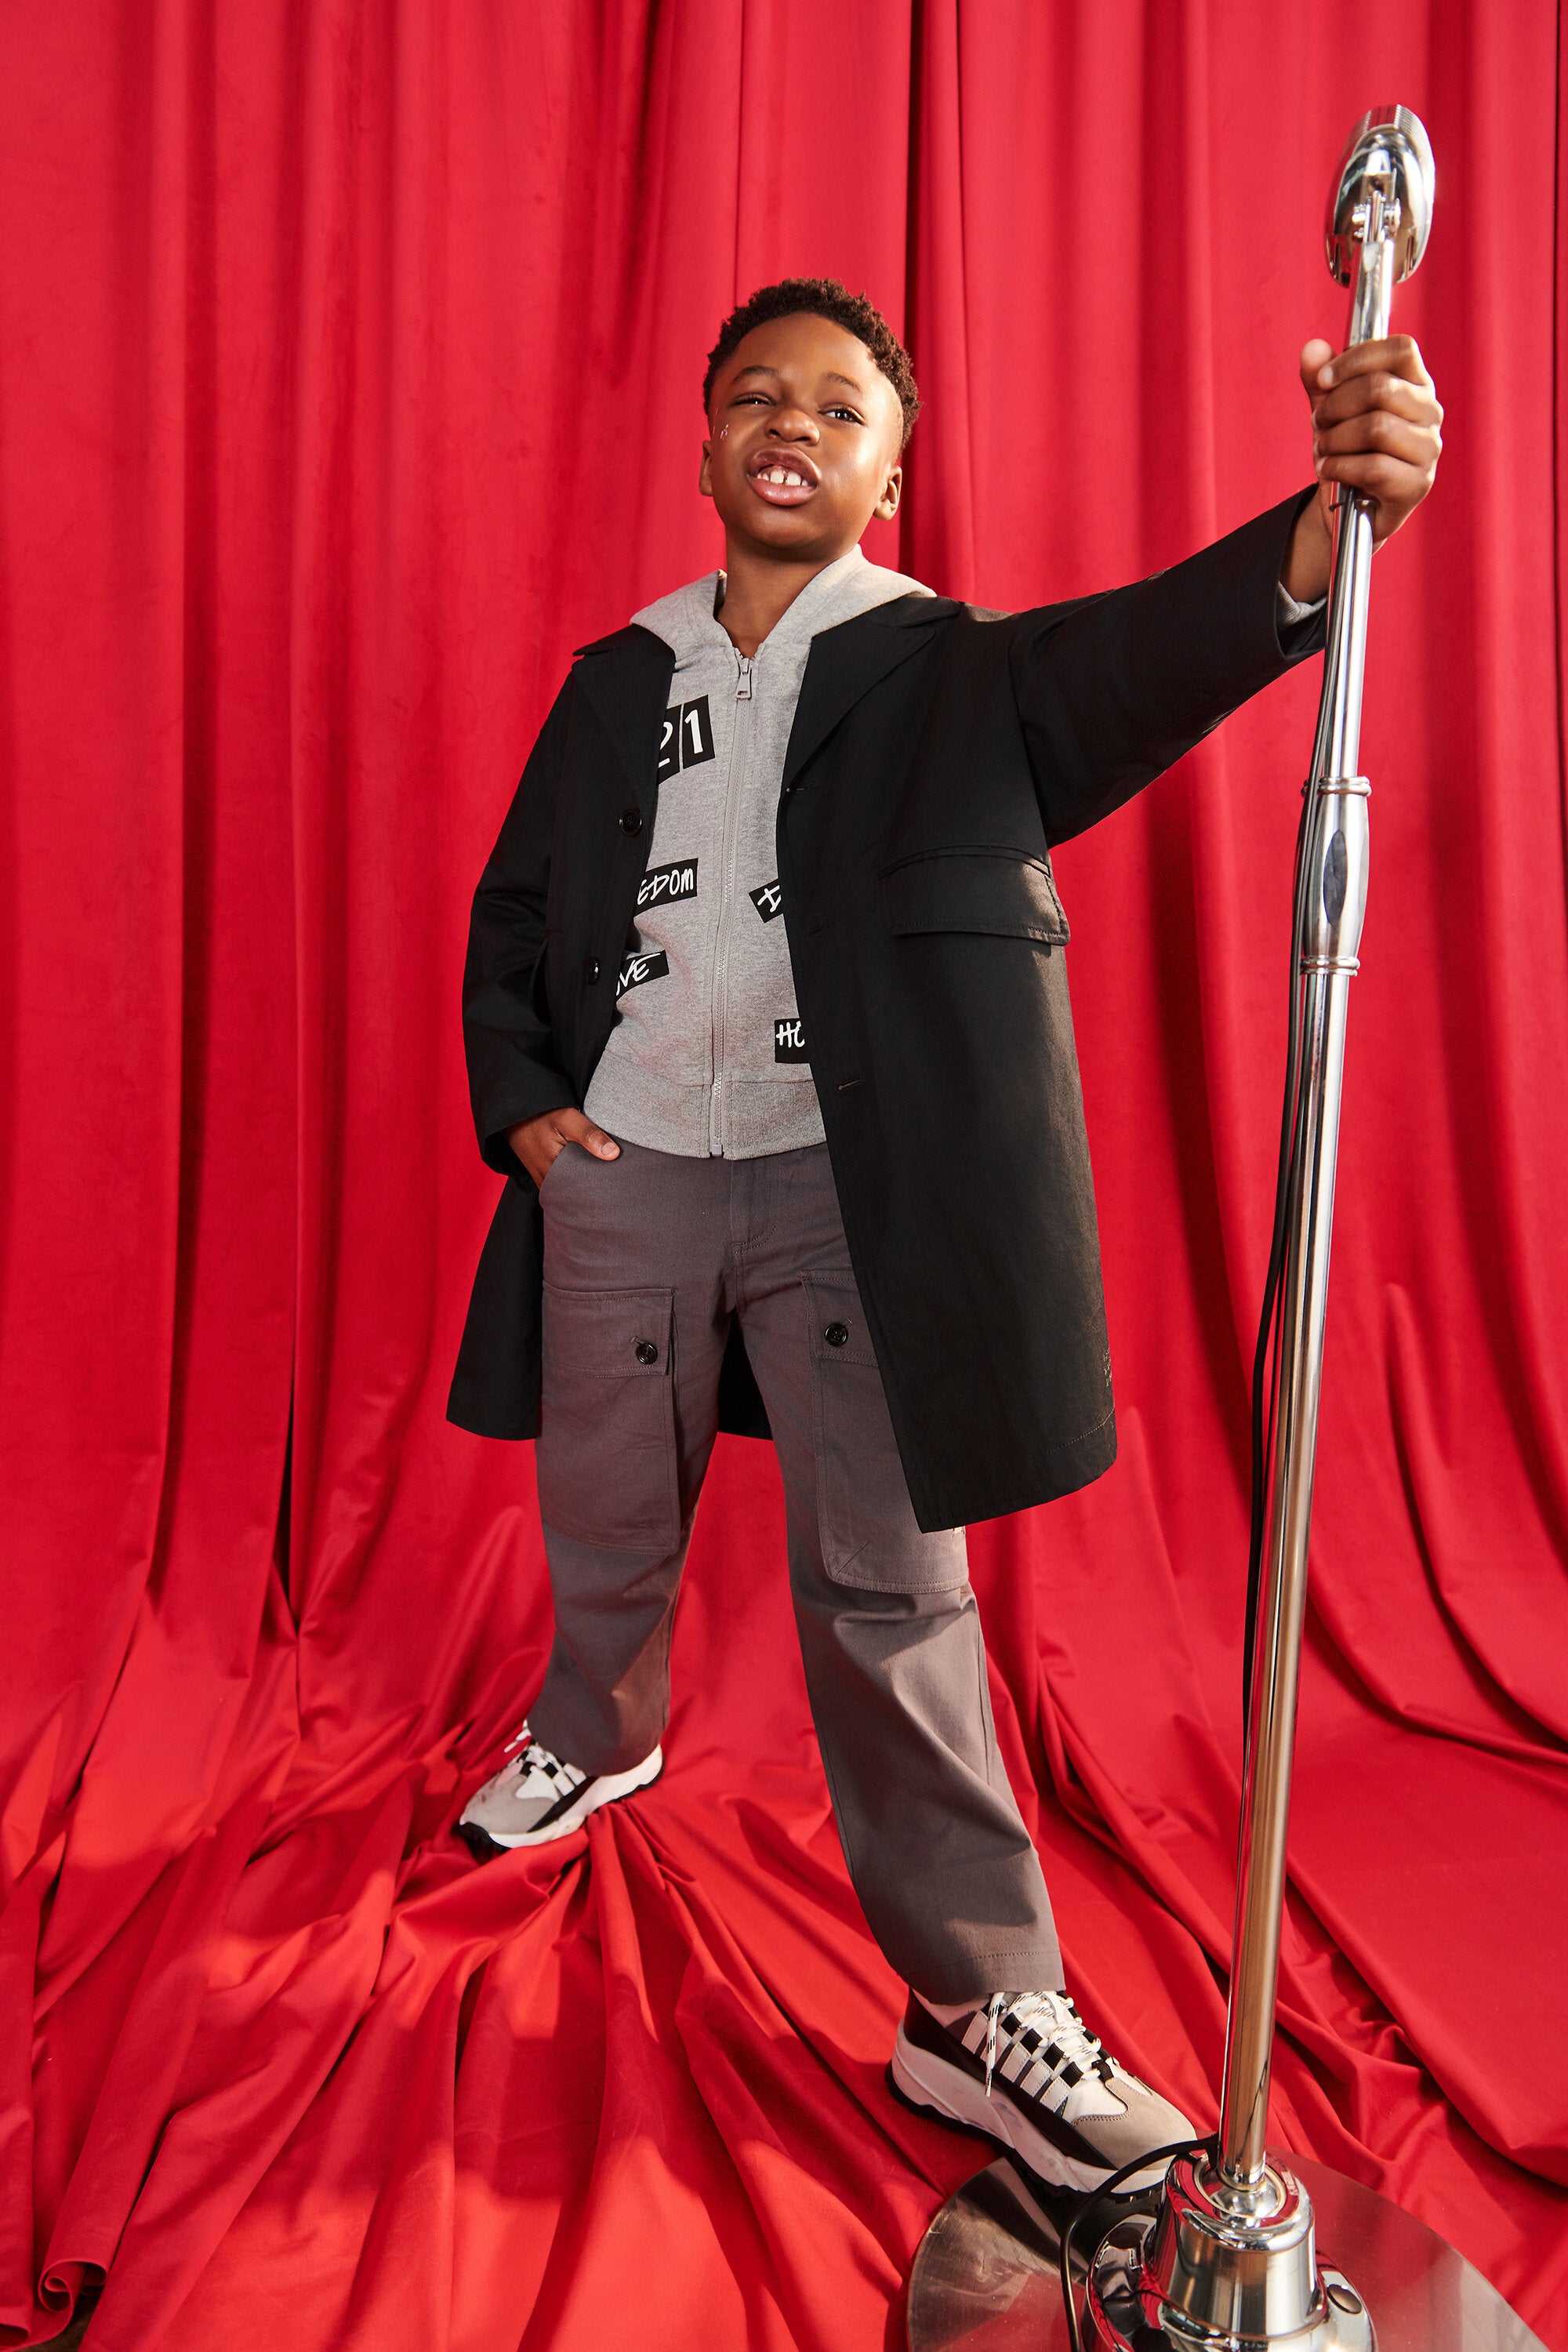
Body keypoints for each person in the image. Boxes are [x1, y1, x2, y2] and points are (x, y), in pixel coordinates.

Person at [445, 278, 1441, 2196]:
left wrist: (1326, 525)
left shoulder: (951, 671)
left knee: (894, 1592)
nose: (791, 422)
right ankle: (598, 1727)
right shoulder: (614, 680)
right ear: (706, 448)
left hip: (849, 1192)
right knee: (603, 1501)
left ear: (889, 476)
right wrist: (530, 1116)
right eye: (756, 396)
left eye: (839, 405)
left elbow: (1147, 651)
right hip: (626, 1169)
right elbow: (512, 911)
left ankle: (978, 2003)